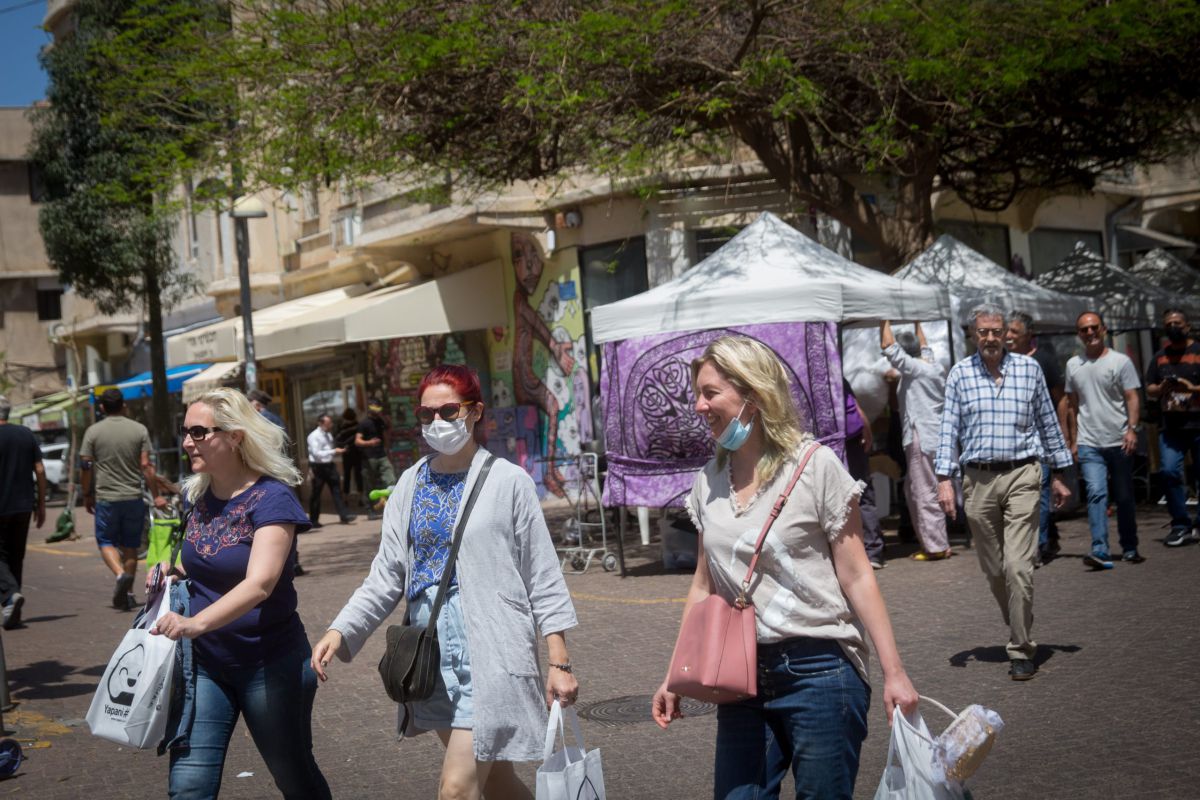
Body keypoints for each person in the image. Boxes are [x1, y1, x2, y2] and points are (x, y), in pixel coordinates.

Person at [652, 336, 918, 799]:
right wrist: (678, 673)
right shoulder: (709, 481)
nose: (698, 405)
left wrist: (895, 673)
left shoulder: (816, 467)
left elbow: (857, 575)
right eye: (698, 393)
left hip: (821, 670)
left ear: (752, 395)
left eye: (710, 392)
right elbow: (702, 585)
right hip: (738, 677)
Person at [311, 365, 578, 800]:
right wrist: (341, 629)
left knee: (456, 790)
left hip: (491, 649)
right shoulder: (410, 484)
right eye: (426, 413)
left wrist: (558, 660)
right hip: (430, 654)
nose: (437, 422)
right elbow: (387, 574)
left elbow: (542, 573)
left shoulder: (509, 482)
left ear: (474, 412)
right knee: (498, 784)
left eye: (449, 411)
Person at [148, 388, 331, 799]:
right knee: (188, 786)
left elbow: (260, 582)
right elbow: (202, 560)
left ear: (234, 436)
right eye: (185, 432)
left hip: (270, 665)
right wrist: (170, 570)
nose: (186, 442)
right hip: (207, 666)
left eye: (198, 432)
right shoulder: (198, 495)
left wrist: (195, 622)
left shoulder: (272, 499)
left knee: (296, 779)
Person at [935, 305, 1073, 681]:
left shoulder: (1029, 371)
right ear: (973, 334)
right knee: (996, 570)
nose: (992, 338)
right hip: (978, 480)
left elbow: (1047, 421)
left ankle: (1021, 648)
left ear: (1008, 335)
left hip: (1023, 475)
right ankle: (1020, 615)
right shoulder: (960, 374)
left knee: (1018, 567)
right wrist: (944, 478)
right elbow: (949, 428)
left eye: (998, 332)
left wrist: (1058, 473)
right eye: (984, 332)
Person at [1063, 311, 1143, 569]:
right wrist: (1074, 440)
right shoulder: (1073, 365)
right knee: (1096, 493)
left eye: (1094, 328)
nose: (1090, 333)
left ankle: (1129, 546)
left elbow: (1132, 397)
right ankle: (1100, 549)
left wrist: (1131, 429)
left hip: (1119, 440)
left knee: (1123, 496)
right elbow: (1073, 404)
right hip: (1089, 442)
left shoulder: (1121, 362)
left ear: (1104, 329)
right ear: (1079, 334)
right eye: (1084, 329)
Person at [81, 387, 163, 611]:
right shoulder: (139, 430)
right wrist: (156, 496)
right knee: (131, 545)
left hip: (106, 497)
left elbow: (86, 465)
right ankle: (127, 593)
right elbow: (146, 466)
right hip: (133, 497)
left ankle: (120, 575)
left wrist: (86, 493)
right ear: (123, 405)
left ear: (101, 408)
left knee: (106, 541)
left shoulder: (93, 432)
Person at [881, 321, 951, 560]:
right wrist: (918, 322)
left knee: (924, 492)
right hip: (933, 435)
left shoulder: (914, 368)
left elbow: (889, 346)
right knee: (919, 489)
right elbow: (924, 345)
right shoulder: (932, 365)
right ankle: (936, 541)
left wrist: (884, 320)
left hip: (921, 436)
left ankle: (936, 546)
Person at [1006, 311, 1067, 564]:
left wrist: (1063, 433)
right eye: (1006, 331)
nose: (1008, 336)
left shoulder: (1044, 361)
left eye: (1014, 332)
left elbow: (1061, 398)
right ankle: (1041, 539)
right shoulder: (1003, 363)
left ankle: (1037, 547)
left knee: (1038, 492)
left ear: (1028, 335)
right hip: (1013, 443)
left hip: (1040, 440)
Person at [1144, 308, 1200, 546]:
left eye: (1177, 323)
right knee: (1167, 471)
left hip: (1198, 425)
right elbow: (1149, 387)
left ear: (1187, 326)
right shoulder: (1159, 357)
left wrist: (1191, 388)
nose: (1173, 327)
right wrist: (1160, 389)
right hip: (1172, 427)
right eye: (1168, 324)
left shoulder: (1197, 352)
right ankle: (1180, 524)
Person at [0, 396, 45, 629]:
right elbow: (39, 469)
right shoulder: (25, 434)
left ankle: (9, 596)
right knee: (15, 556)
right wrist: (41, 504)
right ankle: (13, 611)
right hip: (23, 505)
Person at [842, 381, 886, 569]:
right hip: (852, 434)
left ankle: (870, 549)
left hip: (842, 438)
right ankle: (872, 549)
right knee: (863, 493)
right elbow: (856, 405)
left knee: (858, 494)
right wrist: (864, 426)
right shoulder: (835, 369)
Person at [305, 414, 355, 528]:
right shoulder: (314, 436)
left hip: (329, 466)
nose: (330, 426)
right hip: (318, 467)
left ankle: (344, 515)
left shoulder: (328, 435)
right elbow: (316, 453)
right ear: (321, 423)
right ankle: (313, 520)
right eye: (328, 424)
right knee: (316, 494)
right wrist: (333, 451)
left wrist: (337, 450)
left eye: (330, 423)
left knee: (337, 491)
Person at [356, 399, 395, 521]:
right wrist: (370, 443)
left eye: (378, 407)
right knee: (370, 484)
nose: (377, 410)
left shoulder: (380, 421)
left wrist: (388, 450)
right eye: (375, 407)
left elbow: (386, 435)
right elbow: (357, 441)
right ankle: (370, 510)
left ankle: (392, 505)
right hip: (369, 458)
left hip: (382, 455)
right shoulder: (364, 423)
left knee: (390, 479)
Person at [336, 408, 364, 500]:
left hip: (347, 453)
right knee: (358, 476)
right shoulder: (358, 426)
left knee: (347, 476)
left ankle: (345, 498)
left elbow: (338, 440)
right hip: (357, 453)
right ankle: (361, 498)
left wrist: (344, 446)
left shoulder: (342, 427)